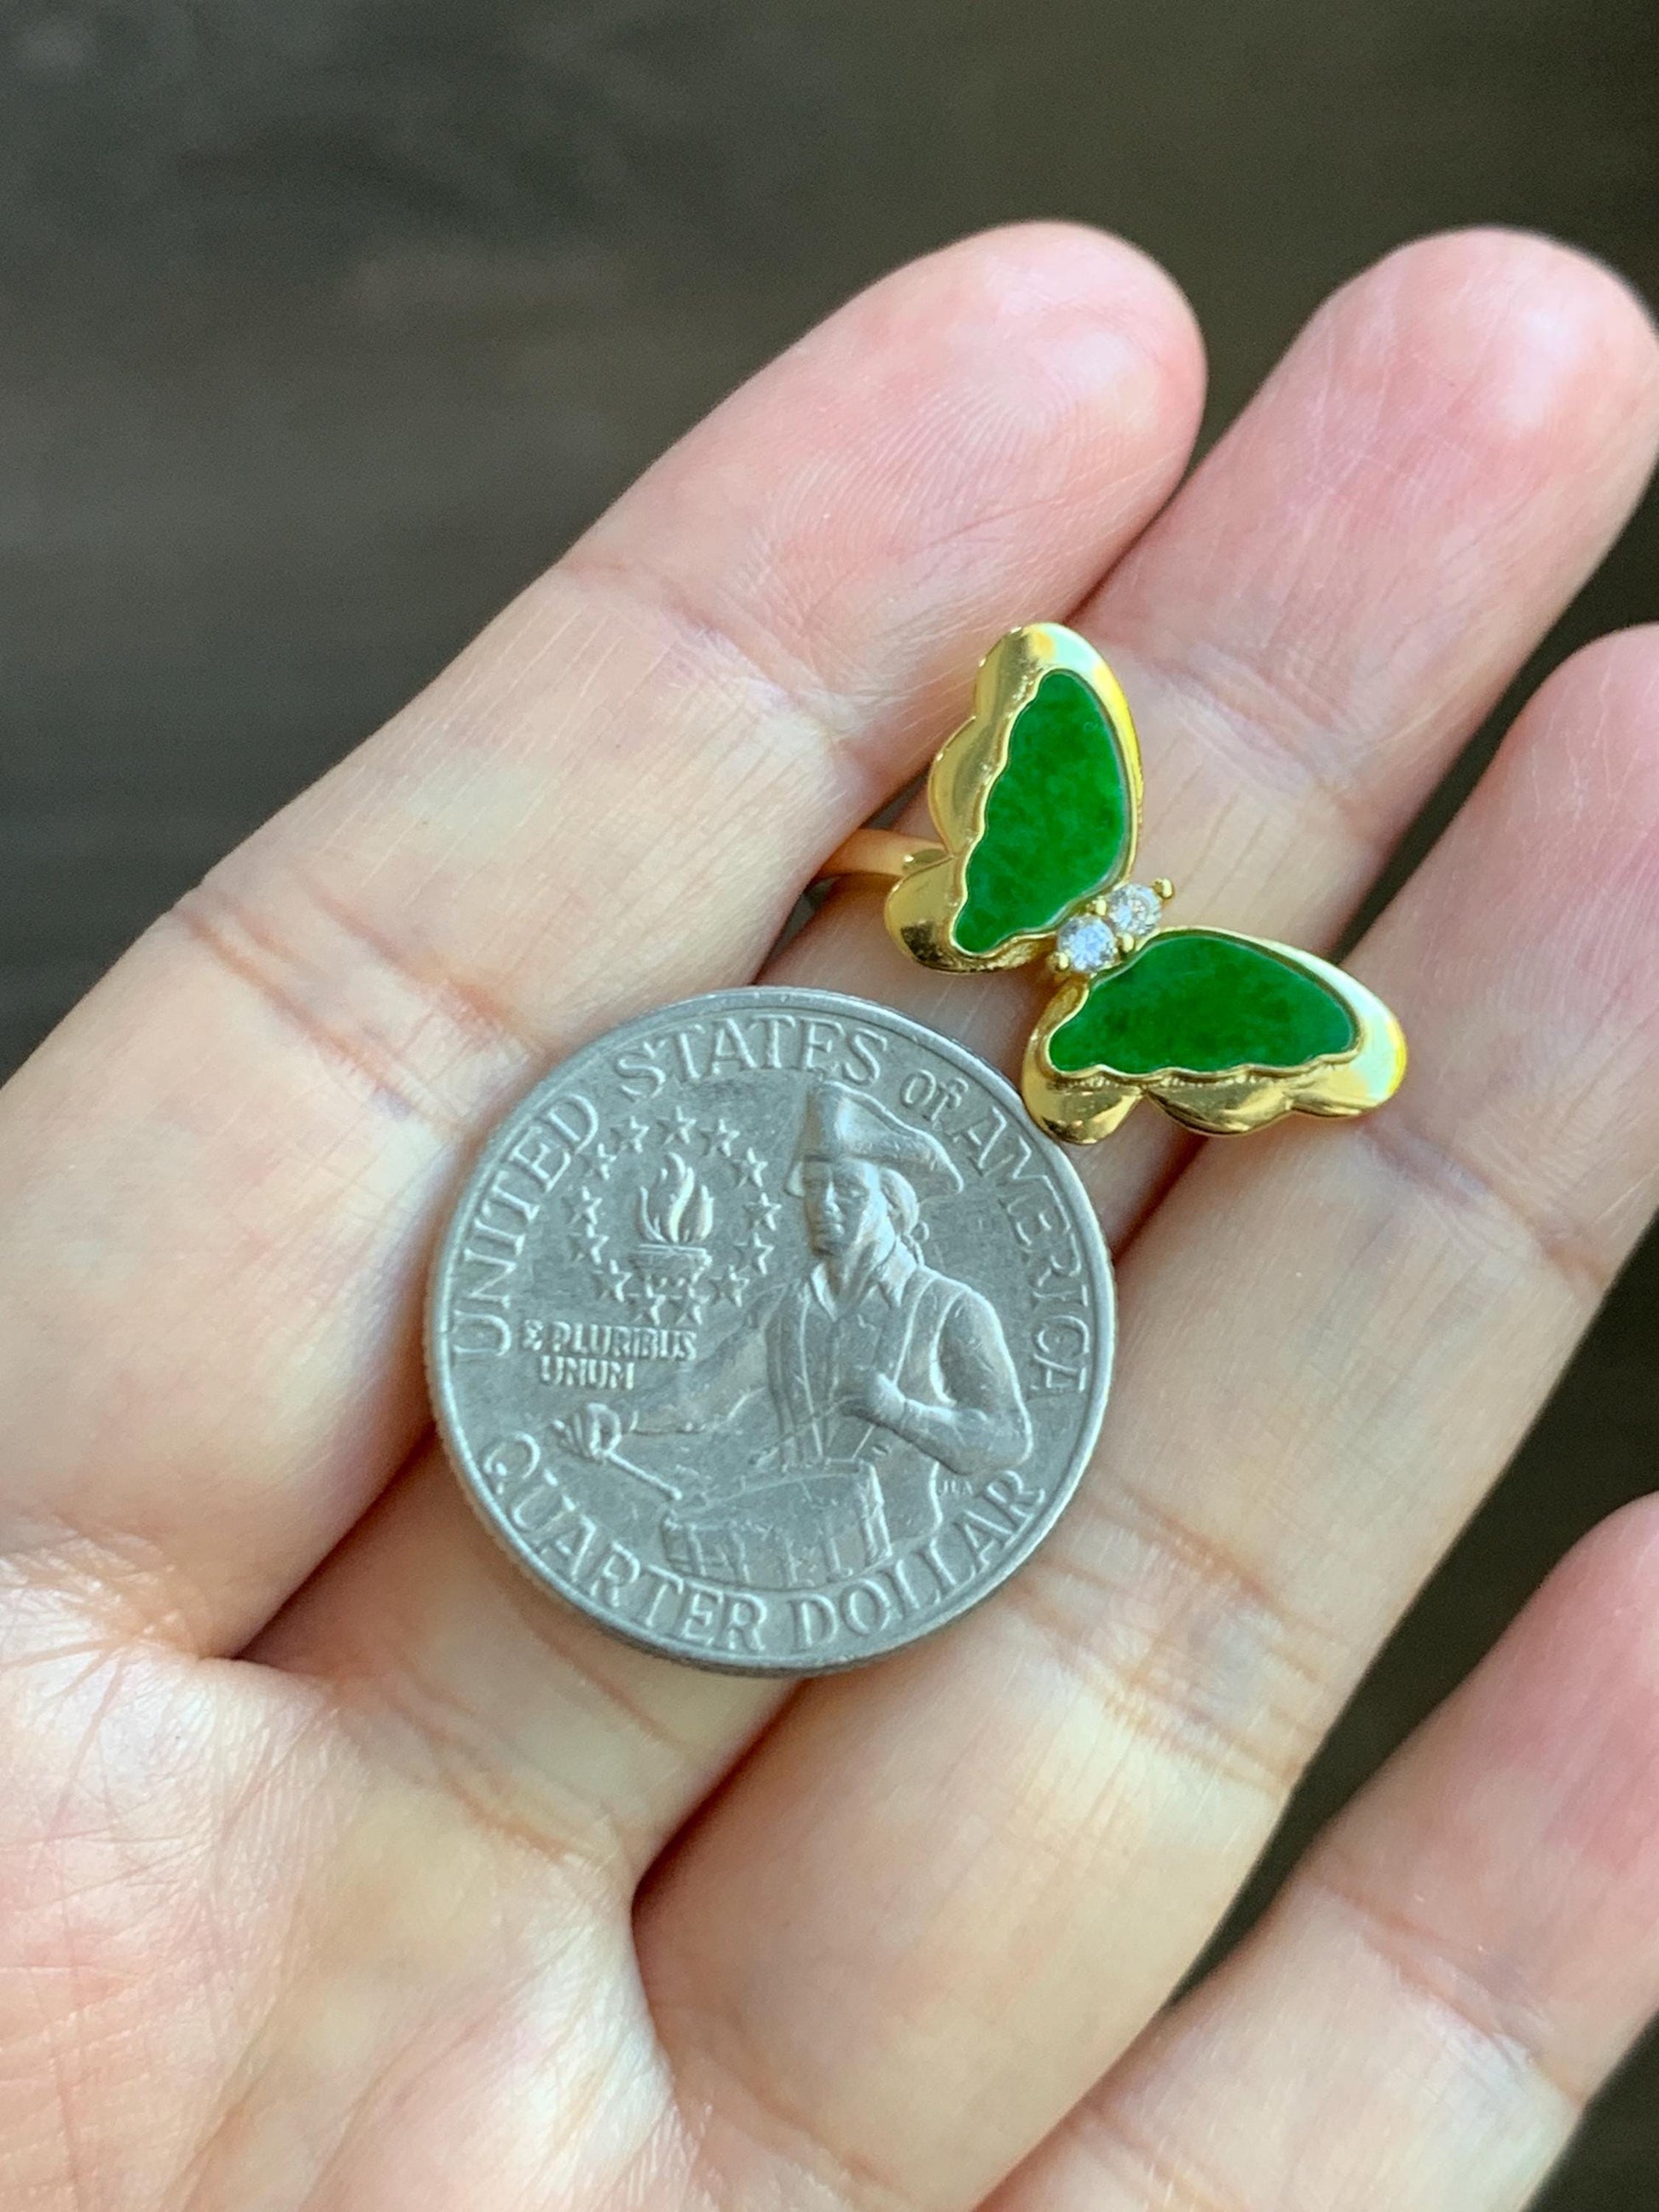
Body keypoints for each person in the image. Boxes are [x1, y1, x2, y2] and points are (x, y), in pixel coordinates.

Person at [3, 222, 1659, 2211]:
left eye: (856, 1205)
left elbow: (946, 1425)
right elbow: (694, 1390)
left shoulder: (944, 1310)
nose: (845, 1229)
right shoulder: (796, 1285)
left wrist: (882, 1386)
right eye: (839, 1210)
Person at [571, 1080, 1033, 1586]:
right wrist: (622, 1414)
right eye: (815, 1187)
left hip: (904, 1564)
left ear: (894, 1204)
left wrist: (901, 1413)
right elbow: (705, 1393)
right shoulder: (784, 1310)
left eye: (849, 1190)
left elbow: (1008, 1441)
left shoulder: (953, 1309)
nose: (824, 1205)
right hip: (781, 1559)